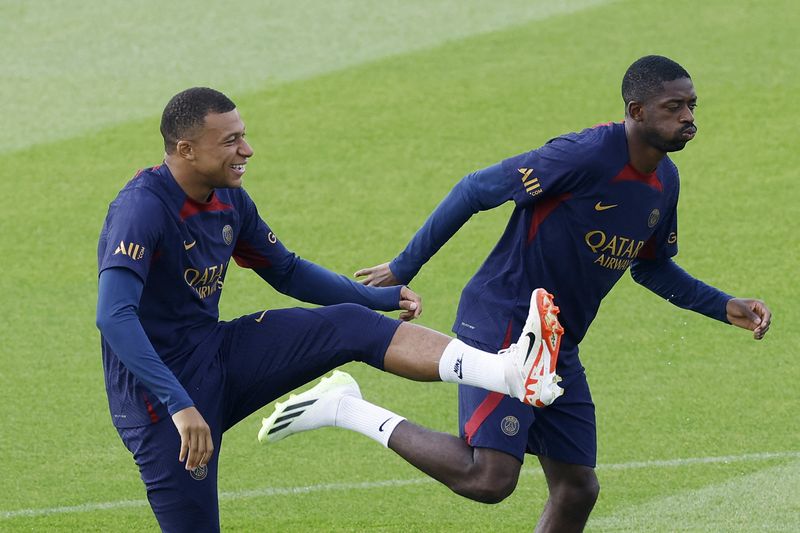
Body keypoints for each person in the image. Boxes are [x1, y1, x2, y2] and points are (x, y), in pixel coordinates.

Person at [259, 56, 772, 532]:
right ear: (636, 111)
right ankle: (344, 407)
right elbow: (474, 189)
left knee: (576, 488)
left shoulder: (665, 180)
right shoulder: (583, 155)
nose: (688, 117)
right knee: (490, 478)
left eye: (691, 106)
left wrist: (724, 306)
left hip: (556, 341)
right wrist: (404, 265)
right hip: (503, 319)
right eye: (674, 107)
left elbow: (652, 267)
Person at [96, 87, 564, 533]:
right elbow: (114, 316)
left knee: (351, 325)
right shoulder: (142, 210)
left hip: (217, 354)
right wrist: (180, 406)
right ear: (187, 150)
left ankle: (506, 372)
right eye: (231, 140)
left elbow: (286, 271)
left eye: (243, 135)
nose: (248, 150)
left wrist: (379, 297)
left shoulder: (229, 199)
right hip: (157, 400)